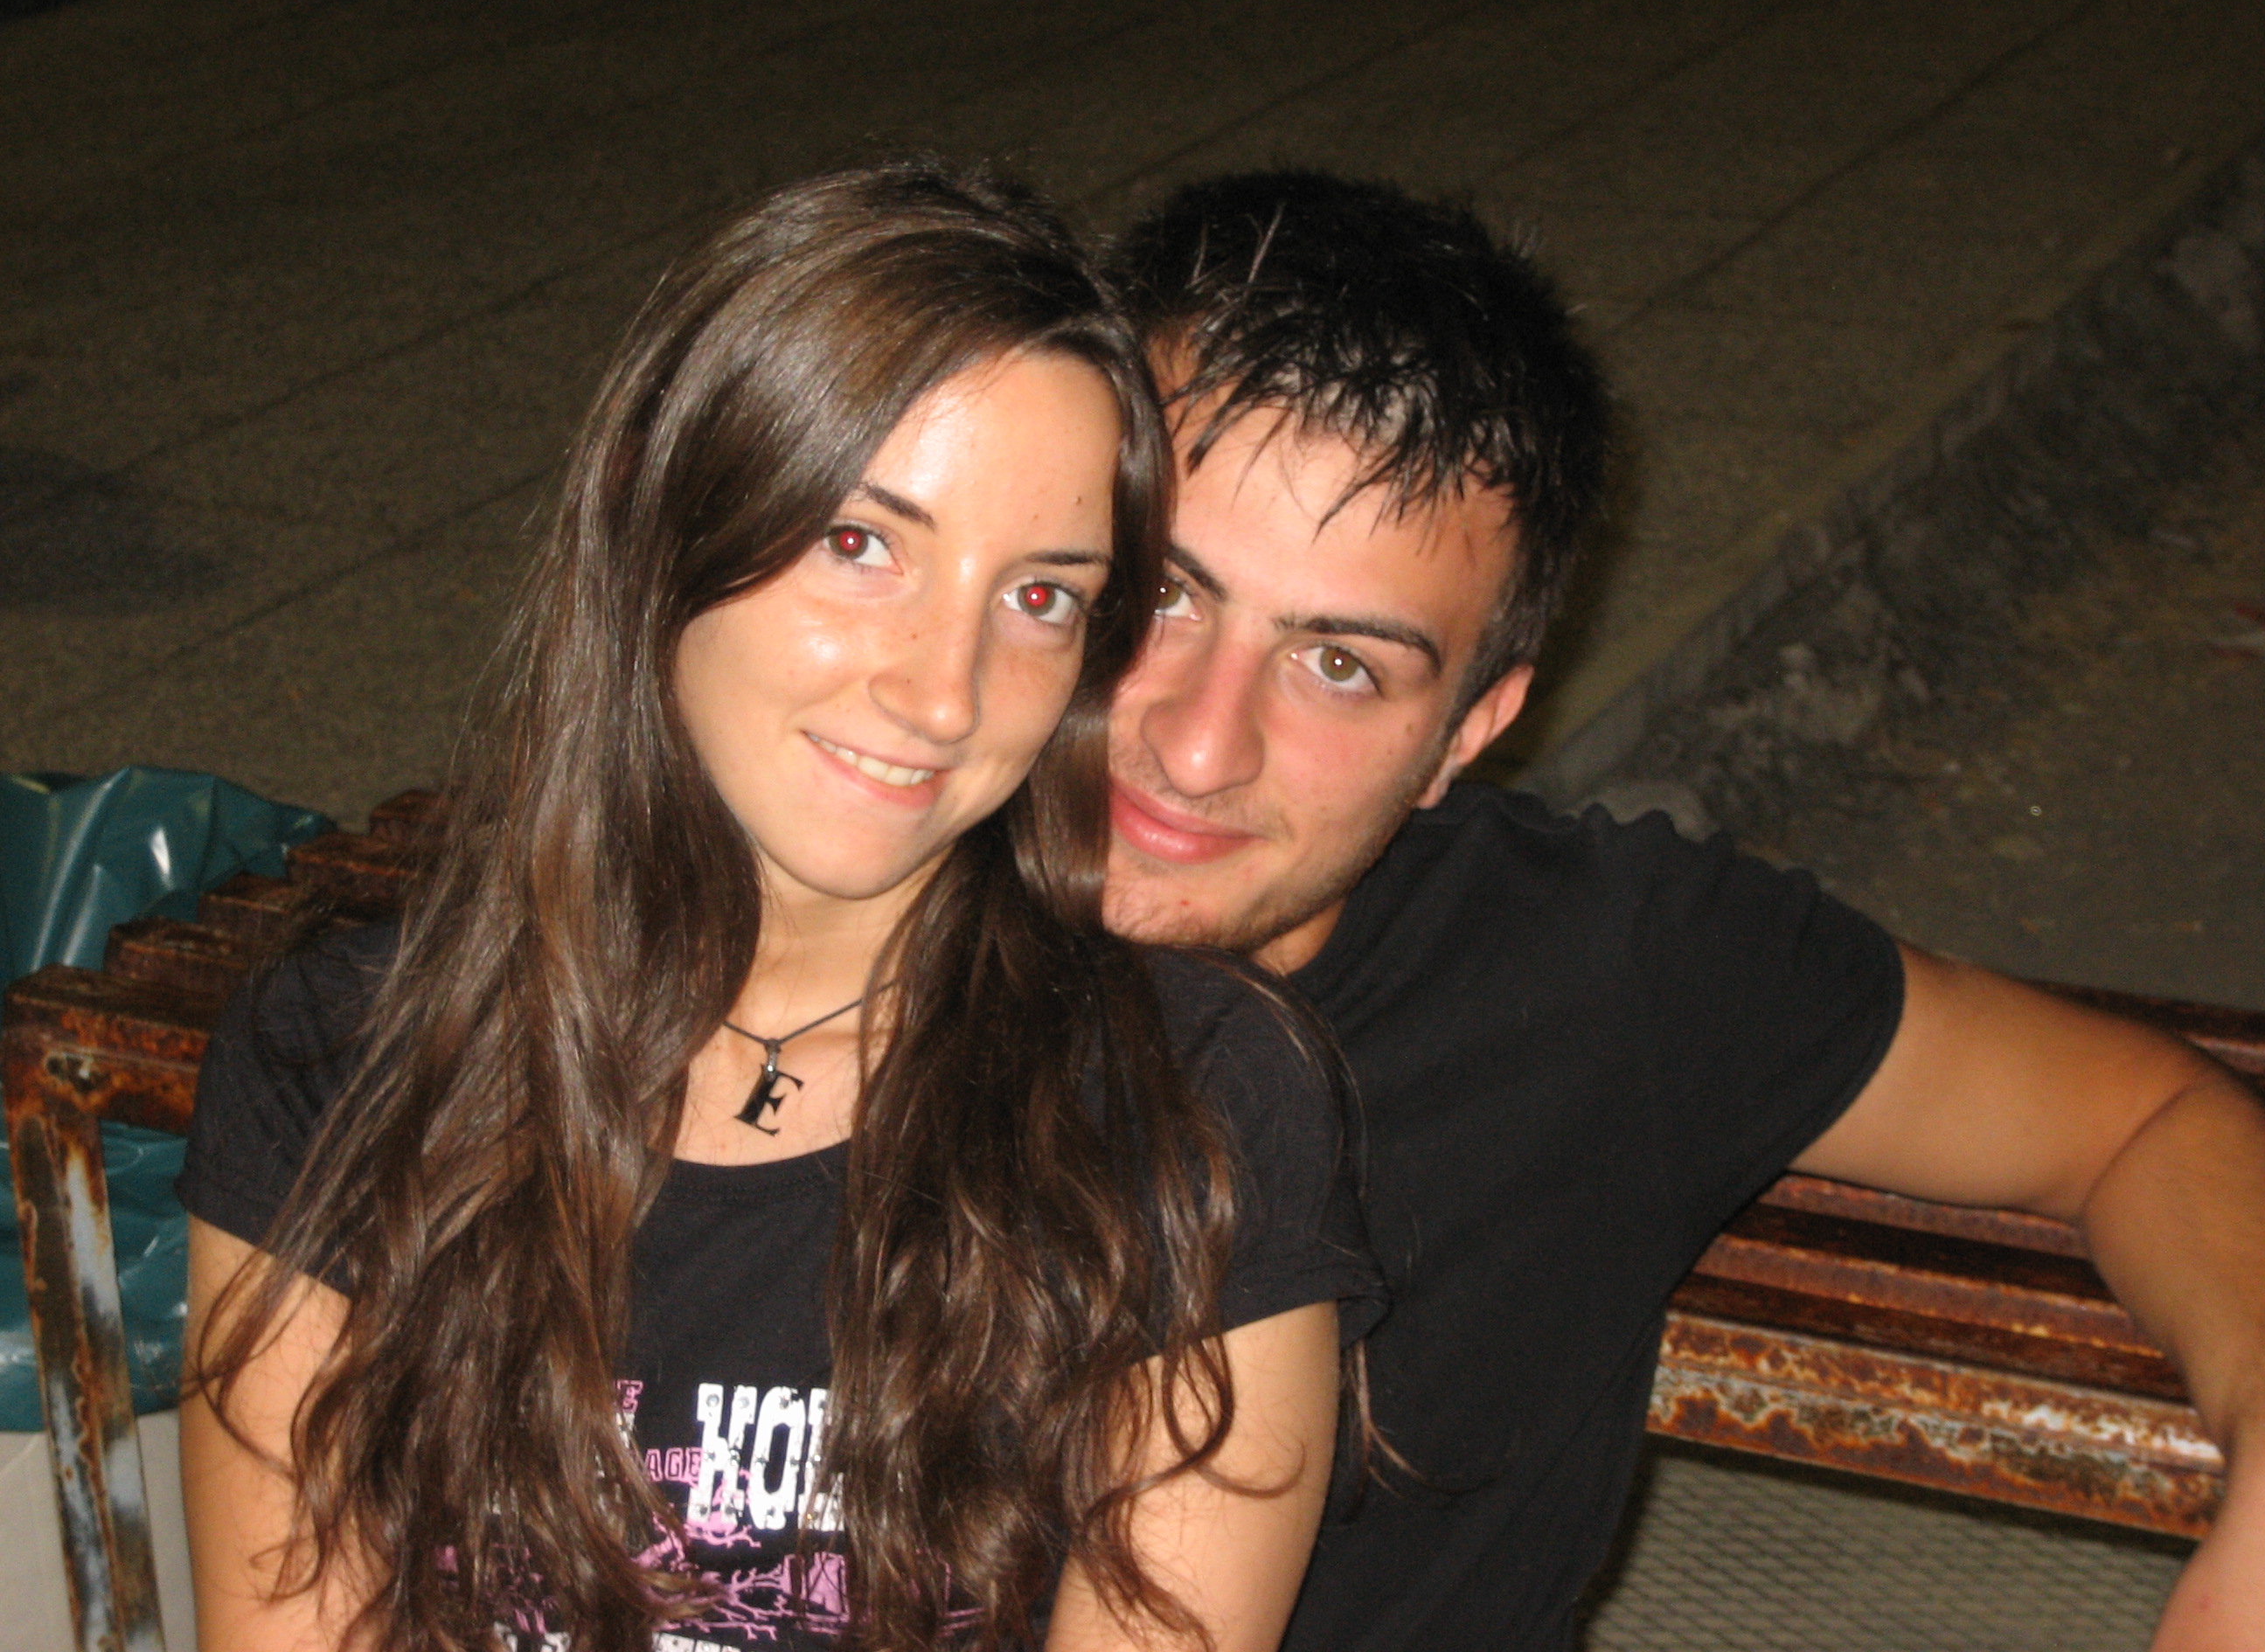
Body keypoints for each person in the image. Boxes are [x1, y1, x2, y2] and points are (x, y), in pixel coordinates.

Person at [176, 163, 1381, 1652]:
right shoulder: (342, 1058)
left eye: (1040, 597)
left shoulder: (1192, 1110)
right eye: (861, 545)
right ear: (662, 510)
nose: (943, 694)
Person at [1099, 170, 2265, 1652]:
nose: (1202, 744)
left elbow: (2144, 1116)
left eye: (1342, 665)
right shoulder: (844, 916)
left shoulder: (1600, 976)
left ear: (1469, 729)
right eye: (1164, 594)